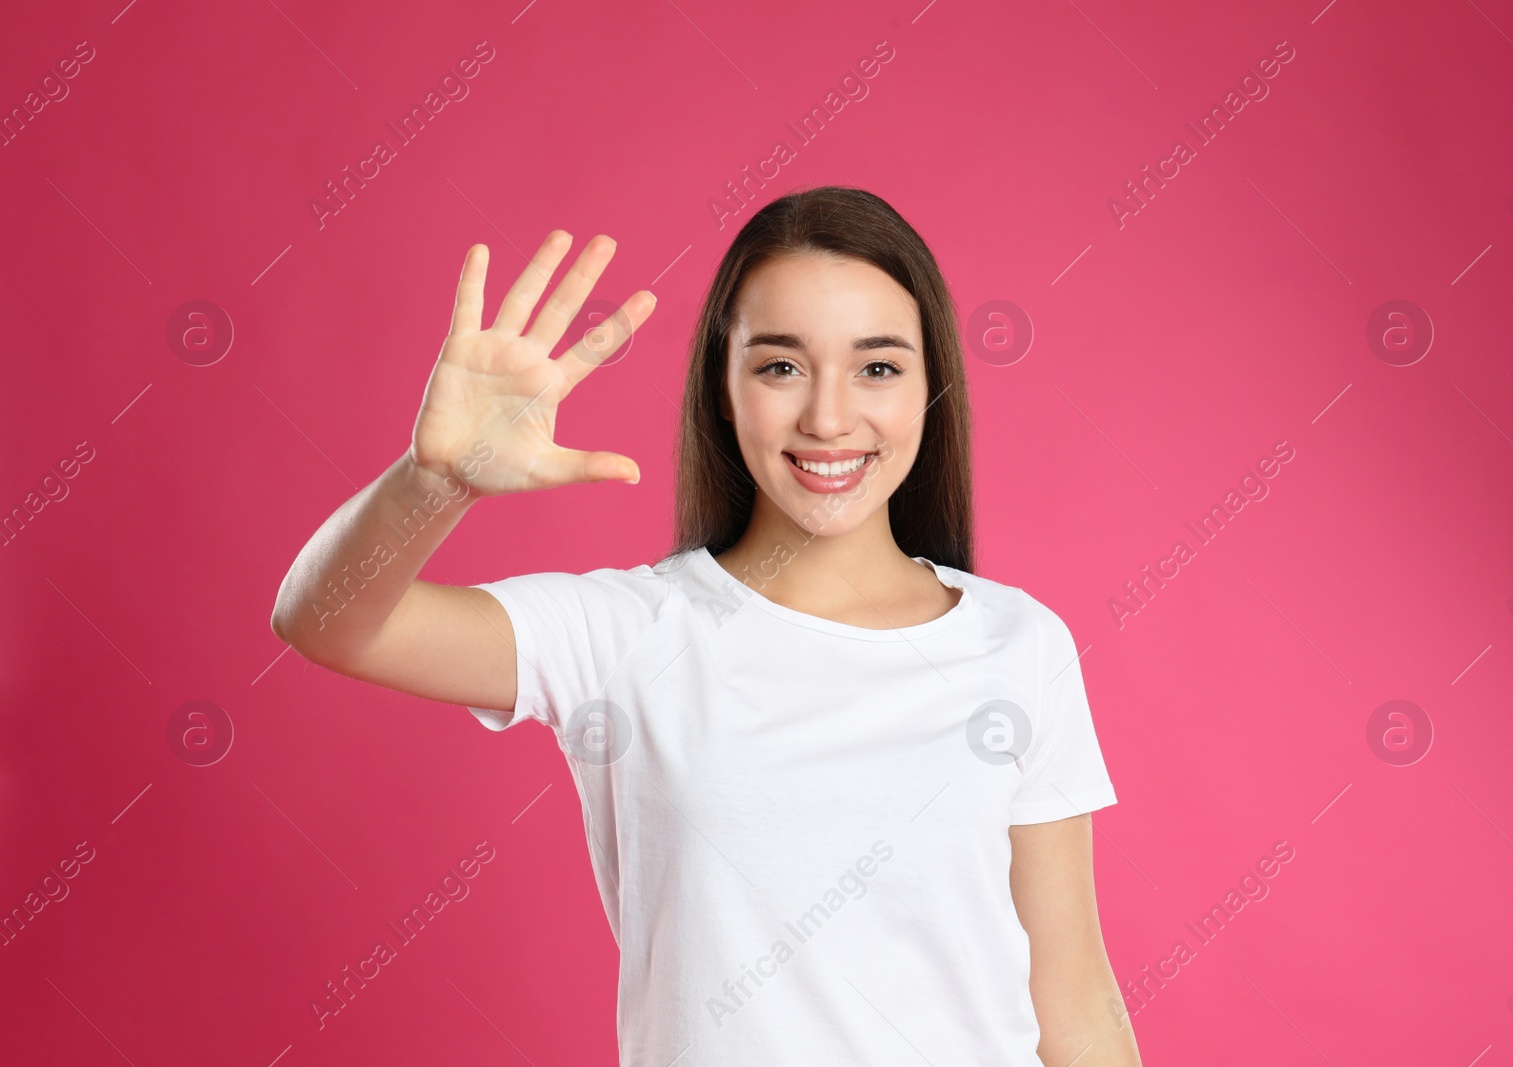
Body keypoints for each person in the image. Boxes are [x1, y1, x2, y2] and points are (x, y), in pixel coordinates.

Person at [271, 186, 1142, 1066]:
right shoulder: (631, 633)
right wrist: (437, 482)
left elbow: (1075, 999)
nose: (829, 418)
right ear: (722, 389)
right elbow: (328, 623)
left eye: (878, 367)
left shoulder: (1017, 642)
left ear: (931, 387)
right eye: (780, 366)